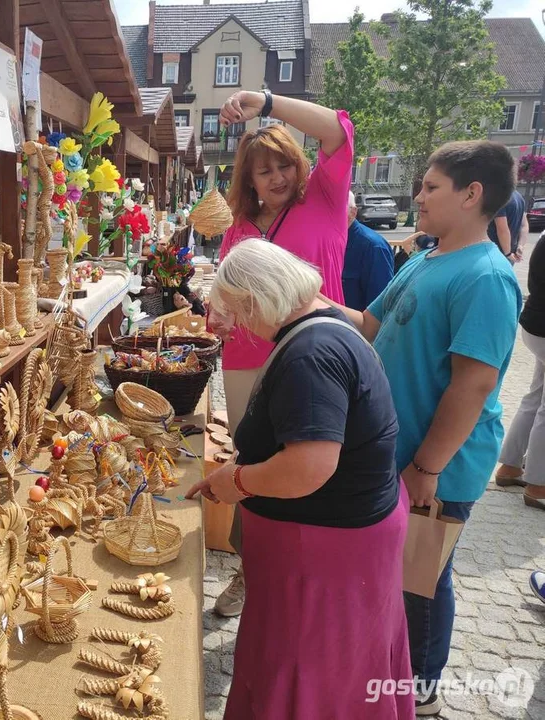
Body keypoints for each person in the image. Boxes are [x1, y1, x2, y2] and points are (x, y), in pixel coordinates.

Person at [325, 141, 523, 716]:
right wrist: (302, 295)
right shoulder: (424, 258)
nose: (419, 196)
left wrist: (427, 467)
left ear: (471, 194)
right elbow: (368, 323)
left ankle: (420, 689)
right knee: (395, 571)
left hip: (439, 466)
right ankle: (387, 667)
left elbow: (474, 386)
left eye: (431, 187)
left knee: (424, 580)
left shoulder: (486, 277)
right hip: (396, 454)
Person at [187, 239, 413, 719]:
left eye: (239, 310)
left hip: (326, 554)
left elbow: (310, 465)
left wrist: (239, 482)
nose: (240, 324)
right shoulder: (320, 324)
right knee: (324, 664)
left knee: (309, 669)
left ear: (257, 297)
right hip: (337, 539)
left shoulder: (312, 352)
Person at [213, 90, 353, 617]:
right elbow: (225, 298)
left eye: (283, 165)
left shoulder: (324, 198)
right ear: (248, 180)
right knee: (253, 461)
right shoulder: (238, 229)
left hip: (315, 352)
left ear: (299, 166)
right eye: (262, 170)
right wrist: (219, 314)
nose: (276, 177)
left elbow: (338, 130)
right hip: (248, 357)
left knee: (312, 463)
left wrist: (266, 103)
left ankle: (307, 576)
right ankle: (249, 571)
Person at [495, 232, 545, 510]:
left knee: (535, 398)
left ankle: (510, 466)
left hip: (535, 324)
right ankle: (538, 484)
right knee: (541, 404)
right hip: (541, 326)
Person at [344, 191, 395, 310]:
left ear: (353, 212)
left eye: (336, 208)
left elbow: (380, 308)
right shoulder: (327, 243)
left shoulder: (373, 247)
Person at [488, 188, 527, 263]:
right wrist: (520, 246)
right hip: (512, 250)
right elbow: (524, 225)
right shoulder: (519, 197)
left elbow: (502, 229)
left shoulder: (499, 198)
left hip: (498, 252)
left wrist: (507, 253)